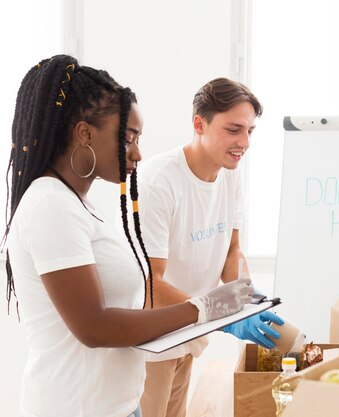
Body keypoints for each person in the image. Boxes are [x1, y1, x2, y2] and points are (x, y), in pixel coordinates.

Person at [3, 55, 252, 417]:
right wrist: (204, 309)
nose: (137, 152)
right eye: (128, 138)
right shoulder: (50, 206)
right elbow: (95, 327)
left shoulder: (79, 205)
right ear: (85, 133)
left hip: (118, 406)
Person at [137, 77, 284, 417]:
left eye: (250, 131)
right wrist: (220, 311)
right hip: (152, 341)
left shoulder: (230, 175)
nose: (244, 142)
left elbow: (230, 251)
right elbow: (149, 284)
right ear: (199, 124)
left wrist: (247, 298)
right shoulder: (158, 182)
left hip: (189, 332)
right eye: (234, 130)